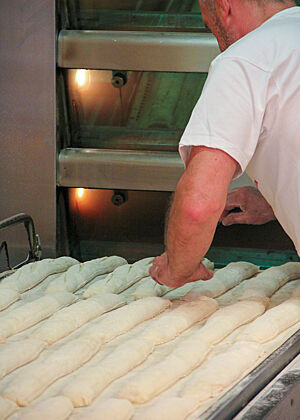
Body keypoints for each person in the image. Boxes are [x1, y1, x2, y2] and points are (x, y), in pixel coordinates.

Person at [149, 0, 300, 287]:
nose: (219, 44)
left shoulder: (245, 58)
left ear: (223, 6)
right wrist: (276, 199)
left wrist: (177, 269)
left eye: (211, 28)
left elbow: (198, 205)